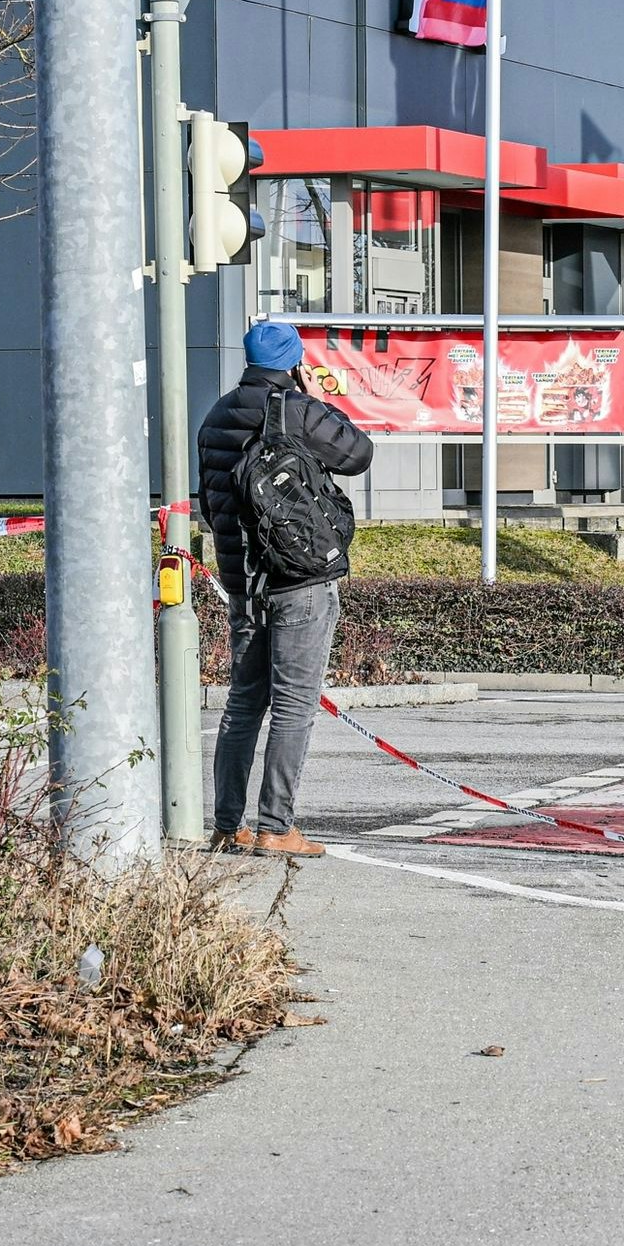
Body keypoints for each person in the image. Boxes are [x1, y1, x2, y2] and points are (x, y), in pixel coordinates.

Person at [196, 316, 375, 857]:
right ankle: (276, 826)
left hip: (242, 582)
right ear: (294, 362)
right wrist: (321, 401)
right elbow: (358, 454)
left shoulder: (216, 415)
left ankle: (228, 825)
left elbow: (210, 505)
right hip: (300, 577)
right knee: (295, 704)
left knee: (244, 703)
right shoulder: (298, 410)